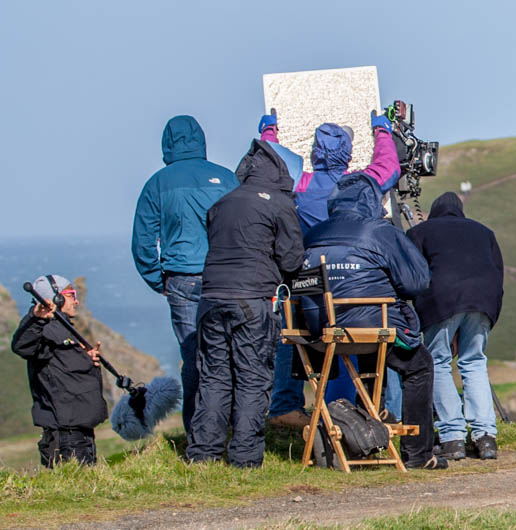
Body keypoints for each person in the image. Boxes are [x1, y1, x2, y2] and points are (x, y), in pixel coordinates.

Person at [301, 172, 448, 470]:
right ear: (372, 201)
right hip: (371, 325)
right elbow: (416, 282)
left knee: (371, 363)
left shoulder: (314, 234)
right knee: (419, 365)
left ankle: (366, 435)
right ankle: (418, 453)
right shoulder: (380, 231)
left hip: (319, 331)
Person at [266, 112, 402, 431]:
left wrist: (270, 130)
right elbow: (389, 168)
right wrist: (382, 130)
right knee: (349, 346)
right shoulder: (359, 185)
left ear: (314, 153)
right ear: (349, 154)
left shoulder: (301, 184)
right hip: (354, 288)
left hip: (307, 286)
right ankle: (346, 415)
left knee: (291, 334)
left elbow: (273, 164)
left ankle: (287, 405)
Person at [185, 139, 305, 468]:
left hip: (210, 298)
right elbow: (293, 260)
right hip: (252, 298)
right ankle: (245, 457)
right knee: (253, 377)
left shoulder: (221, 203)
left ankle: (203, 454)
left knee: (214, 376)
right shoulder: (279, 204)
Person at [131, 115, 238, 436]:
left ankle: (198, 432)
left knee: (193, 355)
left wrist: (157, 279)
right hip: (226, 277)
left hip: (181, 278)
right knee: (229, 351)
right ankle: (234, 426)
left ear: (167, 144)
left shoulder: (158, 183)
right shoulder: (227, 178)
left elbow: (143, 241)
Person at [405, 192, 504, 461]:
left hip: (442, 299)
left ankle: (452, 437)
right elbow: (498, 272)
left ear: (435, 212)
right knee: (474, 362)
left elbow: (411, 274)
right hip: (484, 300)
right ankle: (486, 437)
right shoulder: (484, 232)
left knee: (437, 362)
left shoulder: (421, 231)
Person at [11, 275, 106, 467]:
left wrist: (84, 357)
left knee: (85, 486)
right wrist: (36, 319)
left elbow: (63, 364)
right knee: (76, 489)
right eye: (71, 295)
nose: (76, 300)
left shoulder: (61, 327)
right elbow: (21, 346)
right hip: (65, 434)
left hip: (79, 428)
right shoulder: (43, 328)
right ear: (56, 298)